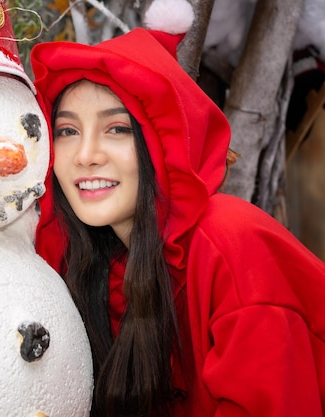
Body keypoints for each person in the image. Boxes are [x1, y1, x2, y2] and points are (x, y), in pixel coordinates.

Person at [29, 9, 325, 417]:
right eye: (67, 131)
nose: (86, 156)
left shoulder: (232, 248)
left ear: (163, 143)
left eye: (118, 129)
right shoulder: (93, 263)